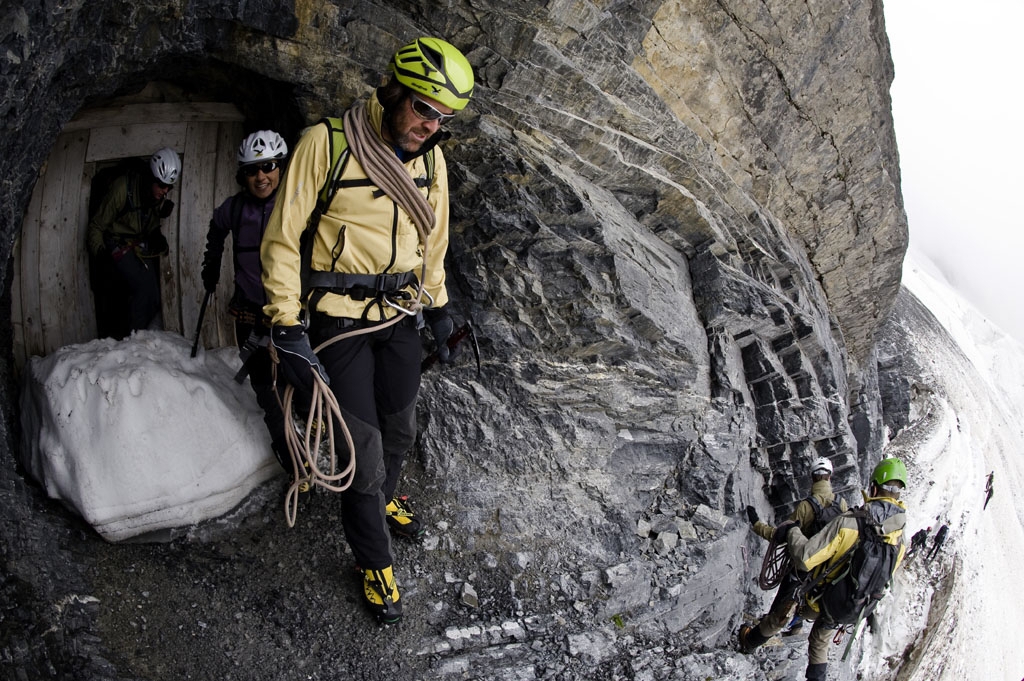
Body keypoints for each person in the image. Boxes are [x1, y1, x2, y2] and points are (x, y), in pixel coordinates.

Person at [259, 37, 474, 624]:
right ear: (394, 92)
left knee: (400, 430)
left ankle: (380, 501)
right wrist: (285, 325)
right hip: (339, 323)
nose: (431, 126)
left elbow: (434, 241)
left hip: (400, 316)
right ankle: (373, 559)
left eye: (444, 117)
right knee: (364, 448)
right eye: (423, 108)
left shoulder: (433, 162)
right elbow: (281, 239)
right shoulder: (325, 146)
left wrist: (438, 308)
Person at [201, 130, 291, 472]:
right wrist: (211, 266)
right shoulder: (235, 209)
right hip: (250, 313)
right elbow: (216, 230)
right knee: (266, 390)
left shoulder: (293, 204)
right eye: (252, 170)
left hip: (289, 313)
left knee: (297, 380)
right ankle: (291, 457)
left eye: (268, 166)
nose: (261, 177)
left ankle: (311, 429)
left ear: (280, 167)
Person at [783, 457, 908, 681]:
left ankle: (757, 637)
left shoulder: (851, 521)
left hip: (825, 597)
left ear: (874, 487)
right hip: (857, 607)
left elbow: (804, 558)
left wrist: (792, 530)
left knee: (809, 625)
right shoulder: (900, 540)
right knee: (821, 638)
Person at [739, 457, 848, 651]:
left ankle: (751, 641)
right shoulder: (843, 506)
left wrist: (757, 524)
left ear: (813, 478)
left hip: (800, 569)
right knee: (807, 599)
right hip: (826, 571)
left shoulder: (806, 507)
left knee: (782, 606)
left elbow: (782, 535)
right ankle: (795, 627)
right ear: (829, 477)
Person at [87, 147, 180, 336]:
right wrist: (101, 255)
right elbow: (96, 226)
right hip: (116, 242)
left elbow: (146, 221)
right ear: (150, 179)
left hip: (137, 245)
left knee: (153, 295)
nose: (165, 191)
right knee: (141, 291)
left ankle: (138, 337)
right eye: (162, 185)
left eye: (169, 187)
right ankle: (131, 339)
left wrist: (156, 233)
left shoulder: (155, 197)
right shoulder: (122, 190)